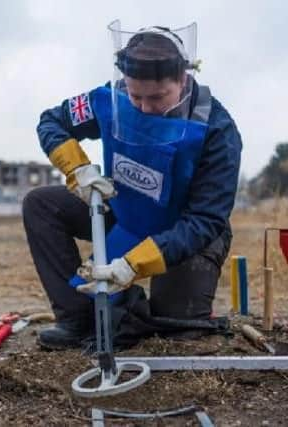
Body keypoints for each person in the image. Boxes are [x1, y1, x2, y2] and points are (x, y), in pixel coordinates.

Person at [23, 21, 242, 349]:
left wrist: (132, 265)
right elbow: (51, 121)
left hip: (186, 232)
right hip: (125, 213)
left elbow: (205, 220)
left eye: (157, 97)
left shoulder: (217, 131)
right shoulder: (110, 99)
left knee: (176, 328)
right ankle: (78, 317)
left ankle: (136, 311)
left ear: (183, 79)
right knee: (40, 204)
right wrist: (78, 169)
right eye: (135, 95)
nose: (143, 107)